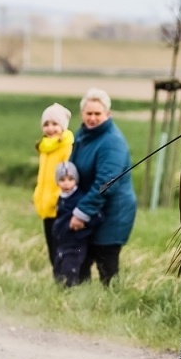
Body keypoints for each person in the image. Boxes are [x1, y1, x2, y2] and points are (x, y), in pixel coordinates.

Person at [68, 89, 136, 286]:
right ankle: (82, 301)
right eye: (89, 113)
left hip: (113, 213)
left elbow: (106, 184)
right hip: (93, 210)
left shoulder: (112, 142)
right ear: (82, 114)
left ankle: (112, 304)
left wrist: (82, 212)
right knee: (81, 262)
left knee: (107, 268)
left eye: (98, 114)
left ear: (108, 114)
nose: (92, 118)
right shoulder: (83, 135)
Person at [32, 102, 74, 280]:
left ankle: (66, 281)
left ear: (63, 126)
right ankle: (58, 280)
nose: (50, 128)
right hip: (45, 206)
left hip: (59, 205)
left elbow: (68, 176)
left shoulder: (66, 146)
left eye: (55, 124)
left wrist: (59, 197)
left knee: (61, 247)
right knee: (51, 248)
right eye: (46, 124)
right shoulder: (44, 147)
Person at [51, 162, 90, 286]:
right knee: (58, 271)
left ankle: (70, 298)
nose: (66, 183)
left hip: (75, 244)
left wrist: (79, 228)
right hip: (62, 243)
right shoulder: (62, 198)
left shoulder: (80, 199)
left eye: (70, 179)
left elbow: (93, 218)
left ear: (76, 180)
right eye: (62, 179)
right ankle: (59, 295)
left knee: (70, 272)